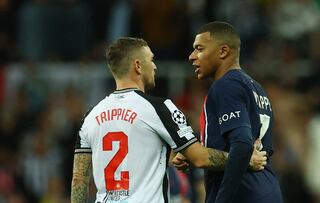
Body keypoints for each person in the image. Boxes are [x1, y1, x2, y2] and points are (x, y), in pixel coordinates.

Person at [70, 37, 266, 203]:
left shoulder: (91, 116)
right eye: (151, 60)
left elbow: (79, 180)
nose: (154, 66)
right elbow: (200, 158)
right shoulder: (159, 108)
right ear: (138, 65)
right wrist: (244, 159)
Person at [175, 21, 283, 202]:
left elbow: (242, 144)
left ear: (223, 51)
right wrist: (194, 152)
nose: (192, 56)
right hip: (266, 188)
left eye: (199, 49)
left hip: (244, 193)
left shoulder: (226, 86)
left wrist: (221, 199)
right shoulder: (255, 88)